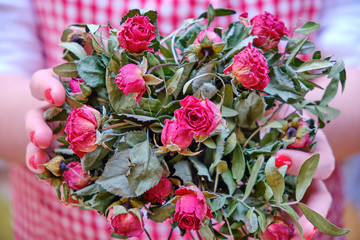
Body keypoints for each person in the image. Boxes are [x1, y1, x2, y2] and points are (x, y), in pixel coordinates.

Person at [1, 0, 358, 239]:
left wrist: (286, 128)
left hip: (259, 213)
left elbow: (352, 63)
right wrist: (54, 124)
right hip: (65, 226)